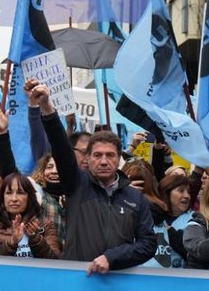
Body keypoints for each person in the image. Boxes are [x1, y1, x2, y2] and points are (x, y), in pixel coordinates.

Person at [34, 78, 156, 274]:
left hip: (117, 286)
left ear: (119, 159)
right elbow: (60, 146)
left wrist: (112, 258)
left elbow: (148, 244)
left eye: (110, 155)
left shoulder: (135, 198)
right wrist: (47, 107)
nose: (104, 161)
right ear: (87, 159)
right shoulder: (77, 185)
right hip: (78, 282)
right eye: (97, 155)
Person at [0, 173, 61, 258]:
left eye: (20, 193)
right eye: (9, 193)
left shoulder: (44, 224)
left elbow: (55, 261)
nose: (14, 199)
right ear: (2, 198)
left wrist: (36, 239)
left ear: (30, 197)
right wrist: (13, 242)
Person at [140, 173, 193, 268]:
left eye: (188, 192)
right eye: (181, 190)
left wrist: (171, 234)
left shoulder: (194, 219)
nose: (187, 196)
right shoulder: (149, 218)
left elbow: (195, 253)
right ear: (167, 192)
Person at [32, 153, 66, 244]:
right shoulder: (36, 194)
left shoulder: (73, 196)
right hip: (46, 253)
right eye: (49, 167)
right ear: (42, 171)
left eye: (59, 167)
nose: (54, 171)